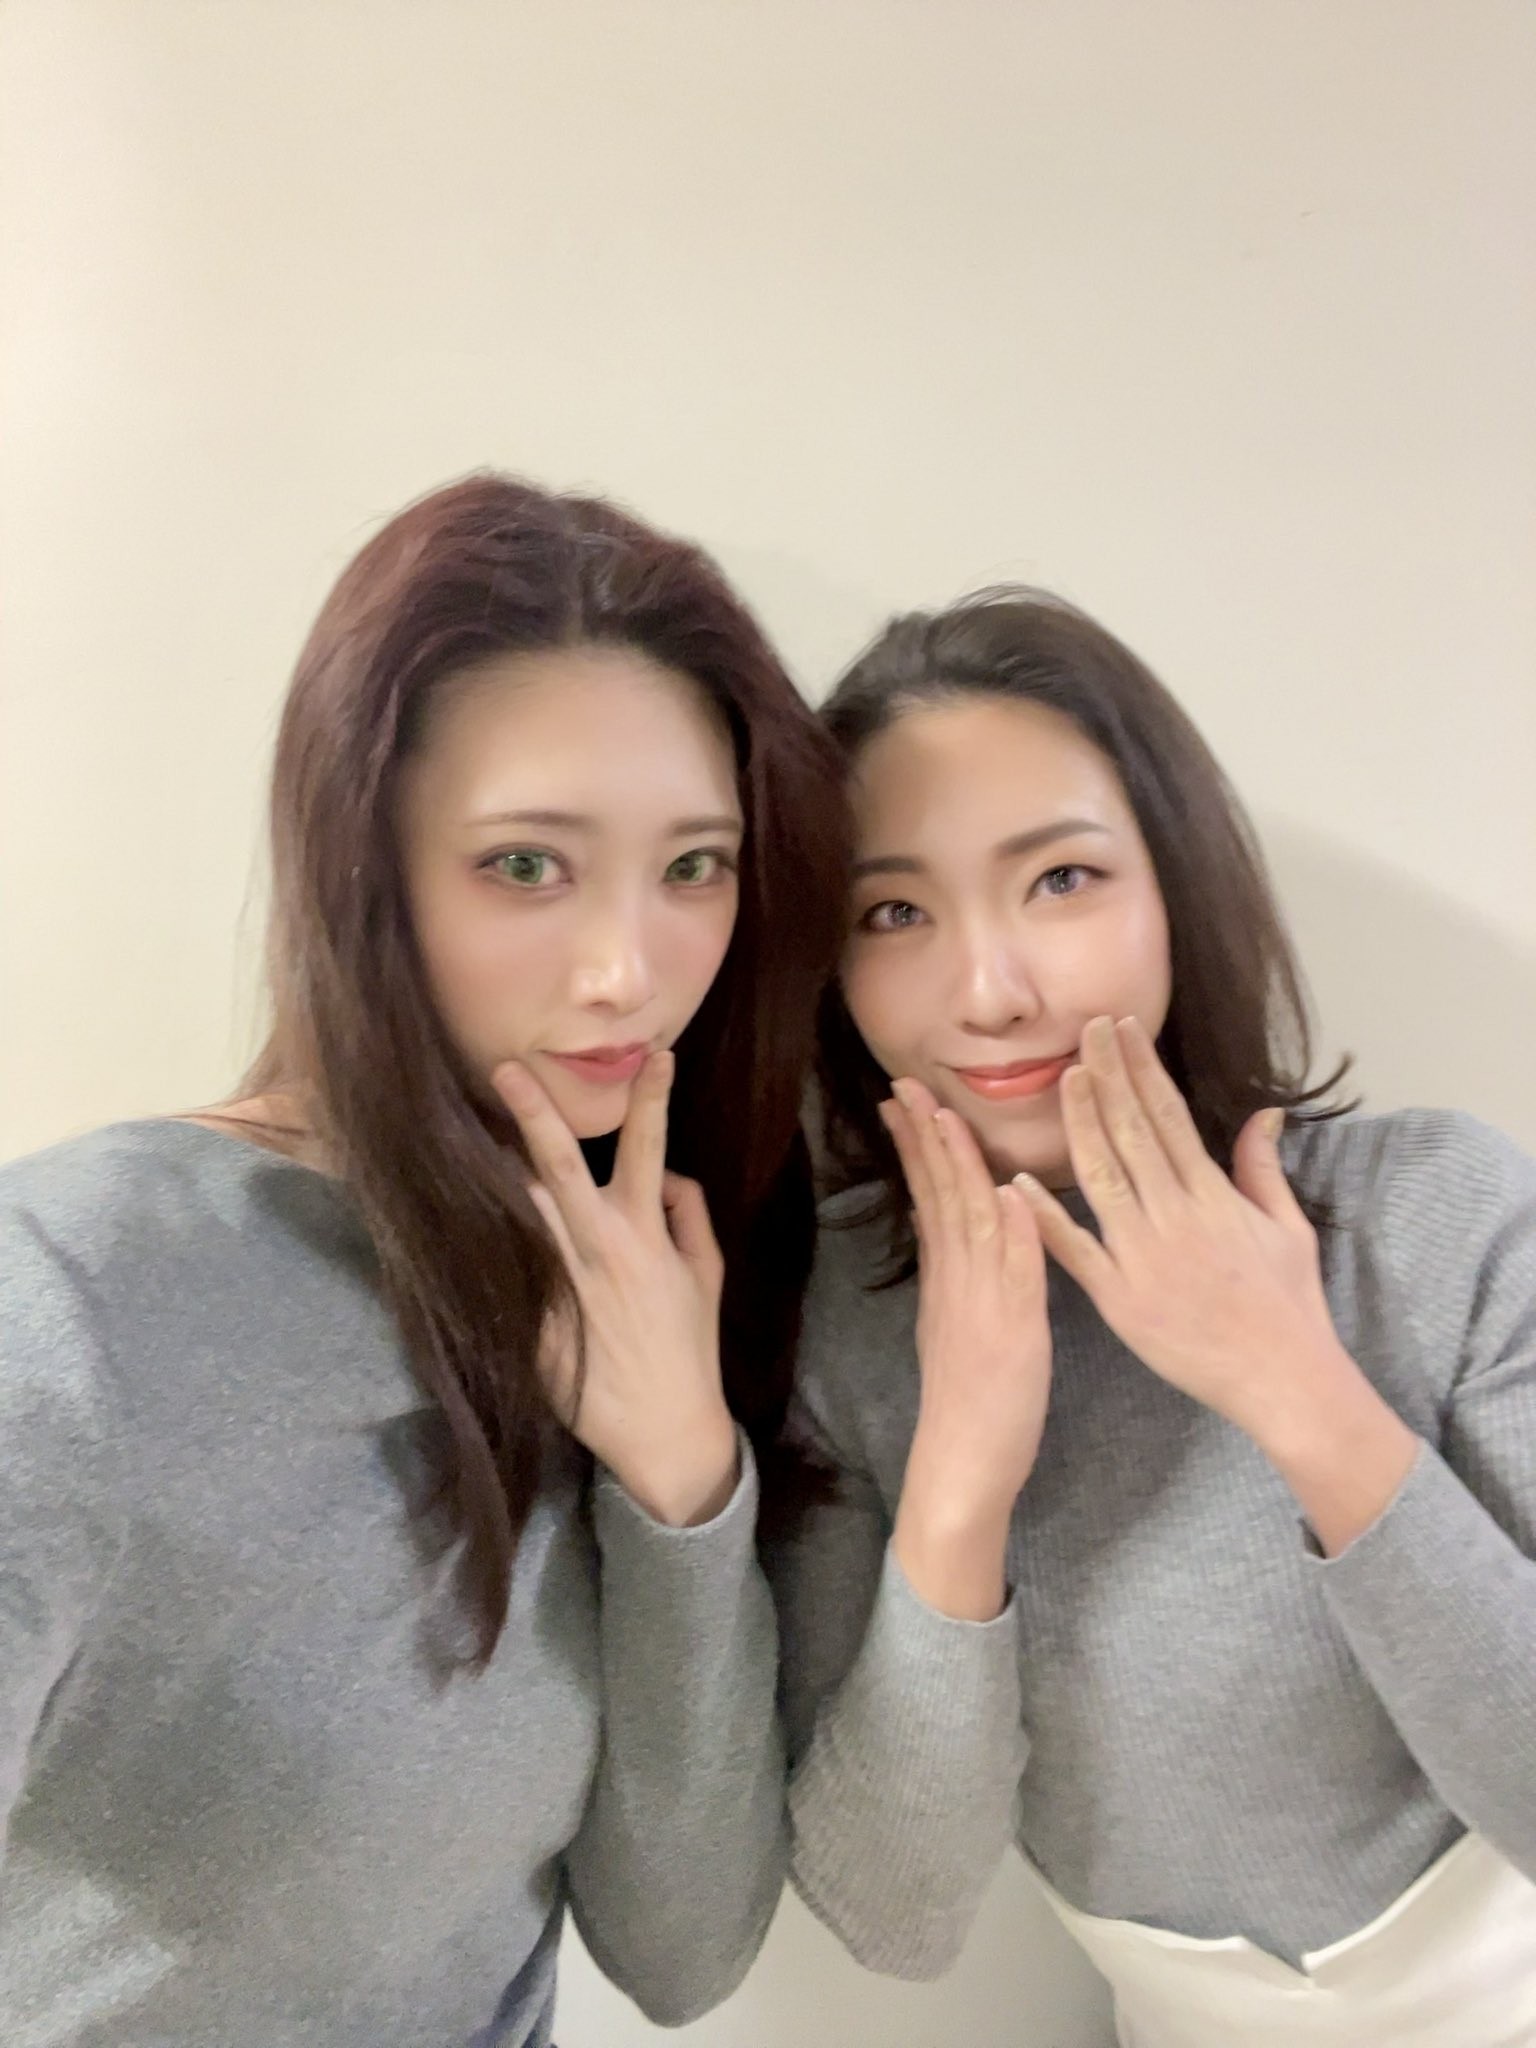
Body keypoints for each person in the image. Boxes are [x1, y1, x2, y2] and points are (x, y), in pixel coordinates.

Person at [0, 473, 849, 2047]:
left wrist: (683, 1480)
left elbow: (681, 1949)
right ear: (362, 868)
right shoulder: (71, 1291)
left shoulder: (643, 1276)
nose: (629, 971)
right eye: (526, 864)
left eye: (695, 867)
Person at [774, 587, 1536, 2045]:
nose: (990, 992)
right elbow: (893, 1916)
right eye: (894, 911)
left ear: (1176, 883)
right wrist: (959, 1475)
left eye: (1060, 879)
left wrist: (1297, 1388)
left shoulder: (1443, 1218)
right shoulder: (848, 1329)